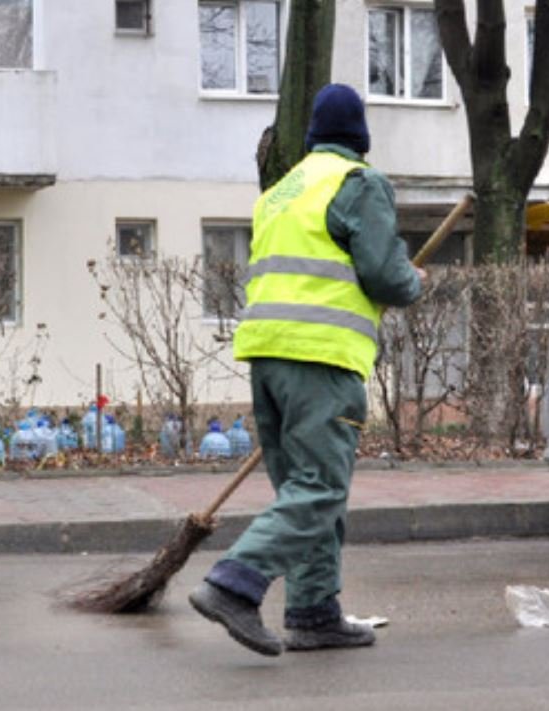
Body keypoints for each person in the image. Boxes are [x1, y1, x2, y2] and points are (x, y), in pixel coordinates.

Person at [189, 83, 425, 656]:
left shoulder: (282, 190)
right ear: (360, 137)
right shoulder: (358, 183)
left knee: (305, 487)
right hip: (321, 356)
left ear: (315, 135)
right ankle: (235, 583)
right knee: (320, 486)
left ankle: (314, 611)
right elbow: (387, 276)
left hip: (268, 354)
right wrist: (413, 281)